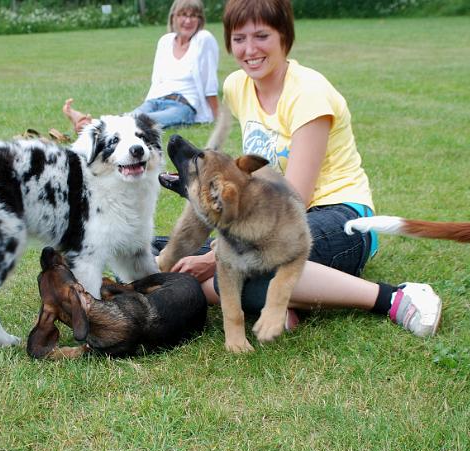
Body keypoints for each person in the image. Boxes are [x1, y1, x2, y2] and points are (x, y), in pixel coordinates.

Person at [157, 0, 441, 336]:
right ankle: (294, 299)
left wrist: (212, 258)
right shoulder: (237, 85)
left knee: (232, 268)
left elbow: (293, 202)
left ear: (284, 37)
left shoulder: (309, 94)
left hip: (341, 218)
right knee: (166, 258)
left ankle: (392, 297)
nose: (249, 50)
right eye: (239, 39)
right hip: (266, 219)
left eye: (261, 36)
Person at [63, 0, 219, 133]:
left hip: (182, 106)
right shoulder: (165, 41)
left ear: (200, 20)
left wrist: (216, 116)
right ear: (174, 17)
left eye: (194, 16)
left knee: (142, 122)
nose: (188, 20)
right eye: (183, 15)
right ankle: (87, 124)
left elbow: (209, 82)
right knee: (130, 116)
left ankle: (88, 126)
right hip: (156, 100)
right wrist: (146, 104)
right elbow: (156, 80)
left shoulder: (203, 40)